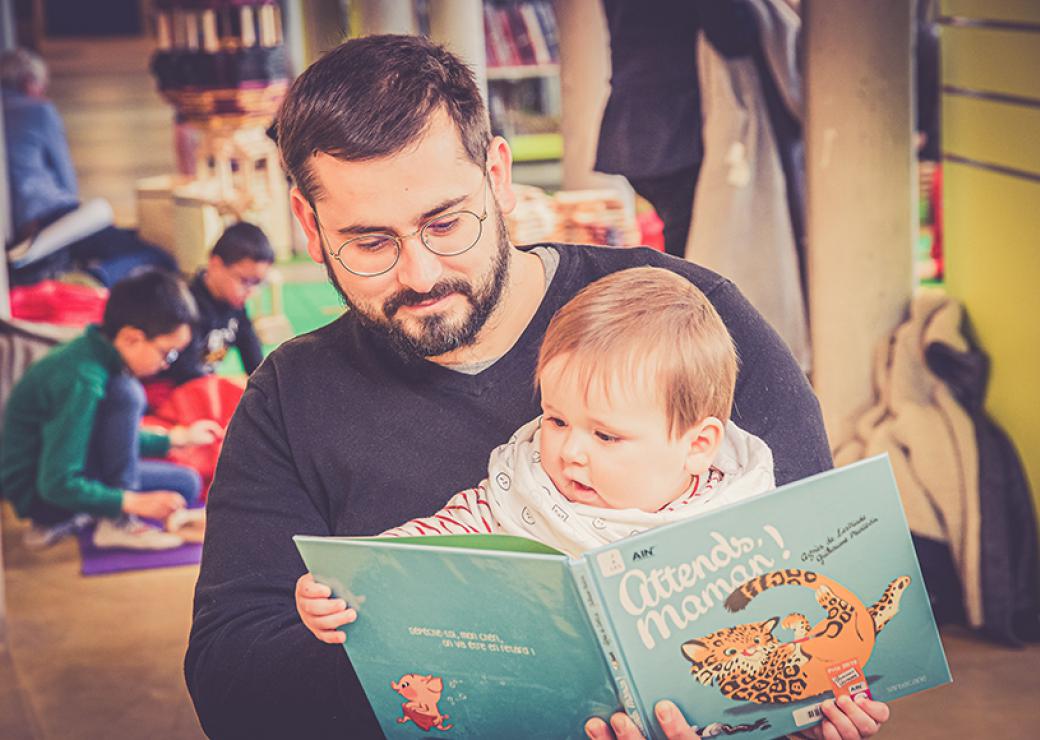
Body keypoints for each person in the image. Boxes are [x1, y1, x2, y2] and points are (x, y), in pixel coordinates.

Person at [186, 35, 883, 740]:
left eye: (445, 223)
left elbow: (822, 592)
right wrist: (404, 647)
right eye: (370, 243)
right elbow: (230, 684)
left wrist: (799, 716)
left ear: (497, 175)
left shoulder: (690, 321)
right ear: (309, 224)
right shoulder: (289, 398)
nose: (421, 274)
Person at [297, 265, 775, 623]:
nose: (571, 453)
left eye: (606, 435)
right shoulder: (523, 492)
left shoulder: (741, 521)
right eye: (557, 420)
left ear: (698, 446)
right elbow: (429, 542)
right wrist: (348, 580)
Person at [0, 270, 223, 550]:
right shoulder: (82, 379)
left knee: (186, 484)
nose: (168, 364)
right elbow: (56, 483)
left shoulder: (100, 355)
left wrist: (174, 439)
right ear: (132, 338)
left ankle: (104, 509)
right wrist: (132, 502)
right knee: (129, 394)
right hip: (41, 497)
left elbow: (109, 438)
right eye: (167, 352)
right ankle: (116, 521)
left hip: (74, 466)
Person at [594, 0, 762, 259]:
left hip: (637, 126)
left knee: (686, 243)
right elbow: (734, 35)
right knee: (695, 252)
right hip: (675, 132)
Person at [1, 47, 178, 286]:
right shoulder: (38, 110)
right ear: (28, 82)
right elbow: (66, 179)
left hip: (19, 234)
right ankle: (93, 279)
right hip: (51, 218)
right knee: (156, 256)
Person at [159, 221, 273, 384]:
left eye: (257, 283)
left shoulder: (236, 307)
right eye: (245, 281)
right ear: (216, 264)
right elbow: (186, 373)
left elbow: (256, 364)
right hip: (173, 392)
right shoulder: (186, 305)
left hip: (202, 388)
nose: (251, 292)